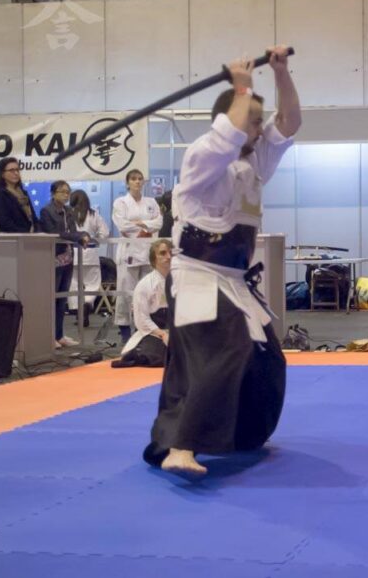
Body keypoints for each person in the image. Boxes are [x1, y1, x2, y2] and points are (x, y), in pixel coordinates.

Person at [143, 45, 301, 477]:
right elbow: (229, 134)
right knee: (224, 348)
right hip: (196, 276)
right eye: (252, 121)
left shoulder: (253, 164)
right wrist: (242, 85)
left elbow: (290, 123)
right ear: (231, 118)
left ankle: (242, 434)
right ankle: (181, 447)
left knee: (268, 356)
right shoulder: (202, 158)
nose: (259, 129)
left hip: (232, 280)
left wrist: (281, 73)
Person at [112, 169, 163, 342]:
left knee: (148, 293)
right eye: (133, 179)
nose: (137, 182)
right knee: (126, 292)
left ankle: (144, 330)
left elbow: (159, 222)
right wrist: (145, 229)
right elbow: (122, 225)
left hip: (147, 251)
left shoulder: (151, 202)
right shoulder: (121, 202)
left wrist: (141, 224)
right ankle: (125, 331)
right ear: (127, 183)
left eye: (140, 179)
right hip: (129, 252)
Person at [39, 180, 91, 349]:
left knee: (62, 300)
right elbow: (55, 233)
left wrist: (82, 235)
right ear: (53, 193)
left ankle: (59, 335)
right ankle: (48, 336)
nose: (66, 195)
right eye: (62, 192)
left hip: (68, 258)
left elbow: (73, 231)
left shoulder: (69, 211)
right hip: (53, 258)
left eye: (68, 192)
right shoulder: (46, 211)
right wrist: (77, 236)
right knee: (52, 299)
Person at [114, 239, 172, 368]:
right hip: (154, 331)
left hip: (173, 328)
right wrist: (162, 334)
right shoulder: (145, 285)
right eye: (163, 253)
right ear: (154, 258)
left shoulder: (178, 282)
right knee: (157, 356)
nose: (168, 257)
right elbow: (141, 319)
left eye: (170, 253)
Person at [67, 190, 110, 319]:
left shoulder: (68, 214)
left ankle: (77, 308)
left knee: (73, 283)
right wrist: (94, 239)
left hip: (73, 254)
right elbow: (105, 233)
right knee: (93, 283)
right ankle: (87, 302)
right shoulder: (93, 214)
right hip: (90, 254)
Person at [0, 157, 39, 233]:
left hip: (30, 237)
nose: (16, 173)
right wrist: (25, 234)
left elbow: (33, 218)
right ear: (2, 174)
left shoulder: (24, 193)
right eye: (11, 170)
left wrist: (37, 231)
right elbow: (3, 222)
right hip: (11, 238)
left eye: (17, 170)